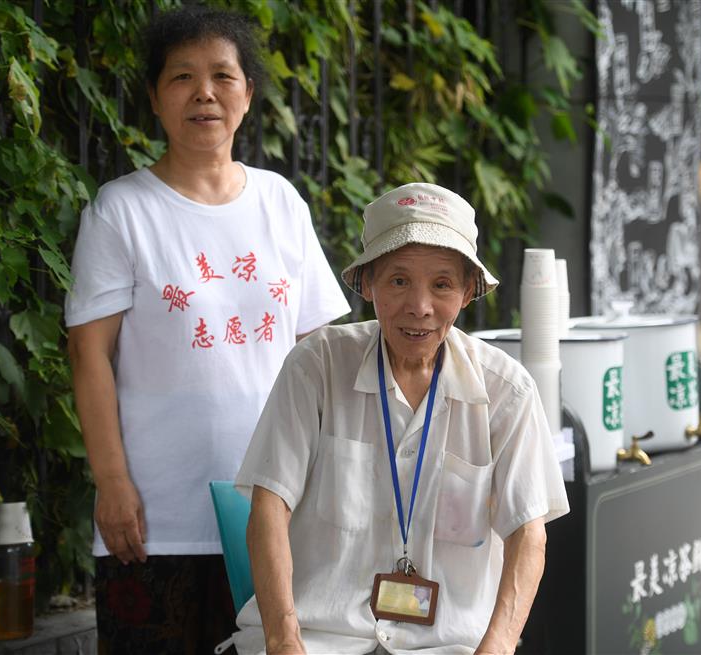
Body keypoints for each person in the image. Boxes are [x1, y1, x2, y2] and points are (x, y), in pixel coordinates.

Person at [64, 6, 350, 652]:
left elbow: (320, 355)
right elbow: (89, 354)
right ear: (154, 99)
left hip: (275, 512)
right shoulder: (122, 211)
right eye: (182, 77)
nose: (204, 93)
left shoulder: (281, 202)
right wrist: (112, 483)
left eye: (223, 75)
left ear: (248, 93)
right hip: (156, 519)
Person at [233, 183, 570, 654]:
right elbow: (269, 505)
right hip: (321, 638)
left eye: (442, 284)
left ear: (469, 291)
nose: (420, 306)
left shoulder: (505, 391)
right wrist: (284, 640)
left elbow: (528, 534)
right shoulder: (317, 365)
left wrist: (496, 648)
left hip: (448, 645)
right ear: (367, 284)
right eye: (398, 280)